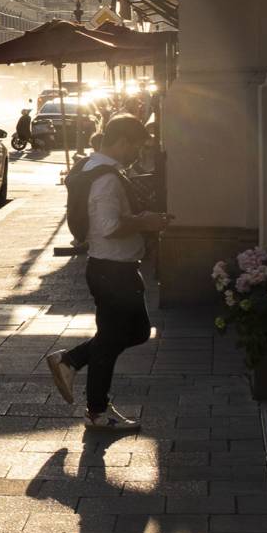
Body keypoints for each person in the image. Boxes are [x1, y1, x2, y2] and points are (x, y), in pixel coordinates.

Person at [45, 114, 171, 431]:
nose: (137, 155)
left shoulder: (92, 168)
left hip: (112, 267)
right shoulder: (106, 178)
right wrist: (146, 221)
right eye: (137, 148)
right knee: (114, 338)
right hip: (113, 270)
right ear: (122, 142)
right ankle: (95, 409)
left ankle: (72, 363)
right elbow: (108, 225)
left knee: (132, 333)